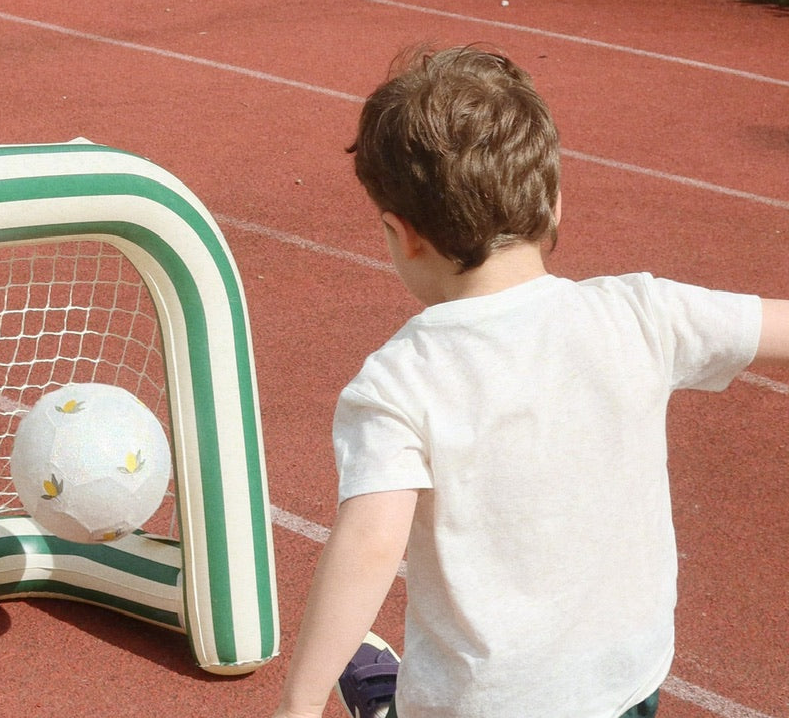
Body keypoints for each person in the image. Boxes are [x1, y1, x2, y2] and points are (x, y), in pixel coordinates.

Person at [271, 46, 789, 718]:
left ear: (402, 235)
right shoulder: (641, 312)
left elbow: (371, 542)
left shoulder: (401, 379)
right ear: (554, 205)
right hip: (623, 683)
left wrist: (300, 702)